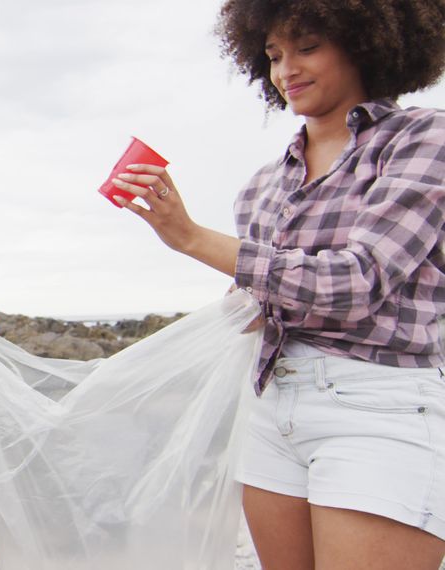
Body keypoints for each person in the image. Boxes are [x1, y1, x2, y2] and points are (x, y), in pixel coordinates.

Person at [108, 0, 445, 568]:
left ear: (364, 41)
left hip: (378, 406)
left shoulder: (421, 141)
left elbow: (359, 281)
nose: (286, 69)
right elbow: (260, 302)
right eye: (273, 55)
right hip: (271, 407)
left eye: (307, 47)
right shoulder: (263, 184)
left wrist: (190, 237)